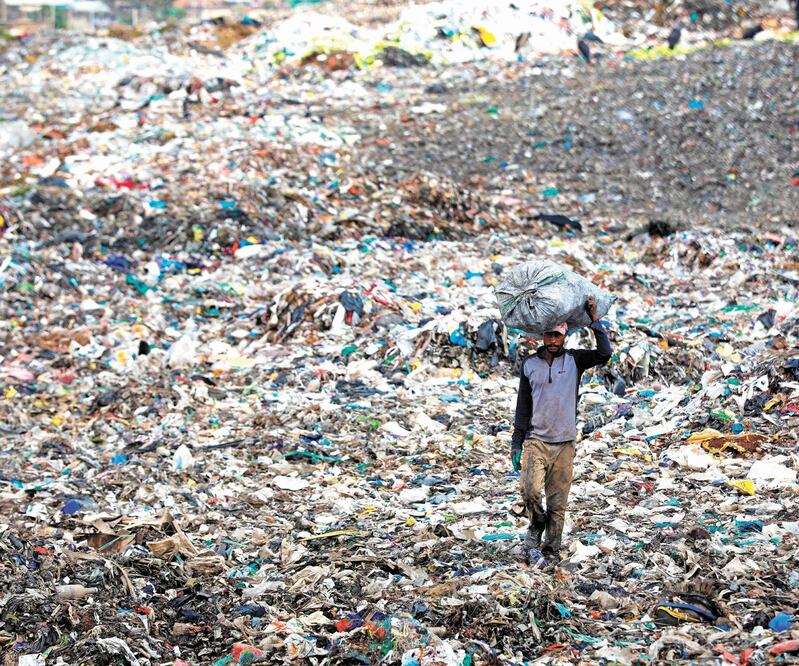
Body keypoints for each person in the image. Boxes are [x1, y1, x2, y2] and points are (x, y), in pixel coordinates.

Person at [510, 296, 611, 562]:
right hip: (536, 441)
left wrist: (594, 319)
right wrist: (516, 443)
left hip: (564, 443)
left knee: (558, 503)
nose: (553, 341)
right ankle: (535, 524)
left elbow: (604, 354)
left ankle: (551, 549)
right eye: (548, 336)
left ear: (564, 336)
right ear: (542, 337)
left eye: (557, 336)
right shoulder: (530, 365)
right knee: (529, 491)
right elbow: (523, 407)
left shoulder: (575, 361)